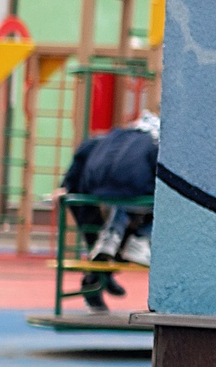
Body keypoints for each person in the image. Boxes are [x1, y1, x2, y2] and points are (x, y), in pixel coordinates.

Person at [58, 113, 156, 312]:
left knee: (103, 232)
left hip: (95, 186)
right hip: (129, 190)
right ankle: (132, 241)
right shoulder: (154, 140)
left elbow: (85, 149)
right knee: (136, 217)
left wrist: (66, 185)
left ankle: (101, 271)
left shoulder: (113, 137)